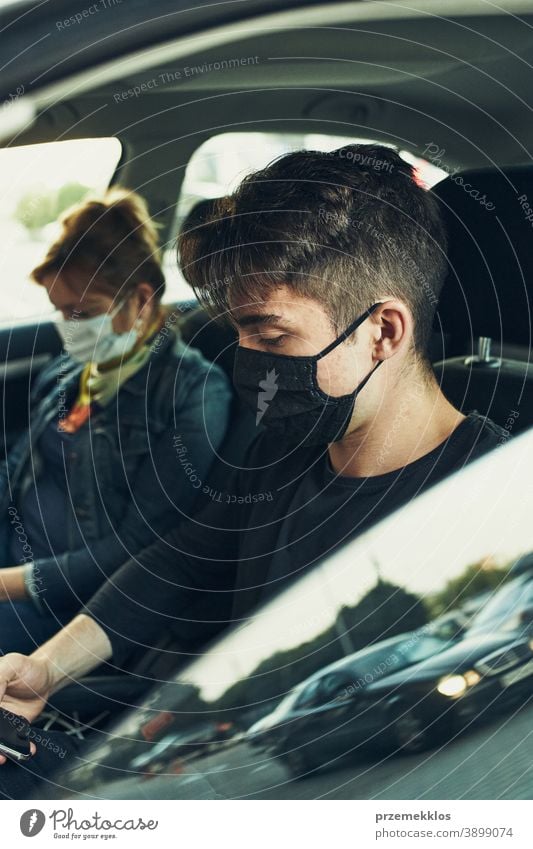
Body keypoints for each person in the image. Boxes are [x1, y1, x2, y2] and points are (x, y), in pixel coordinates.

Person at [0, 144, 508, 795]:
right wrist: (45, 669)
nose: (251, 368)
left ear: (383, 330)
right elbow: (182, 559)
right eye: (239, 335)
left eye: (272, 338)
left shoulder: (485, 503)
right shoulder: (285, 445)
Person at [0, 188, 232, 654]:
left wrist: (9, 583)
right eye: (60, 310)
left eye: (82, 313)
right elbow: (17, 467)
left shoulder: (191, 395)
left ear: (141, 300)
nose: (67, 326)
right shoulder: (73, 370)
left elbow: (134, 550)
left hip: (73, 603)